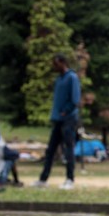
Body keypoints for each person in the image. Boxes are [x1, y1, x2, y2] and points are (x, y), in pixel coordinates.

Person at [34, 53, 81, 190]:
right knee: (51, 150)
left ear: (62, 63)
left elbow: (75, 99)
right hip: (57, 119)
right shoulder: (58, 80)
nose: (54, 67)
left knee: (68, 148)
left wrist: (66, 111)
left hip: (68, 118)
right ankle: (43, 179)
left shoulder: (72, 77)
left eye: (56, 64)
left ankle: (70, 179)